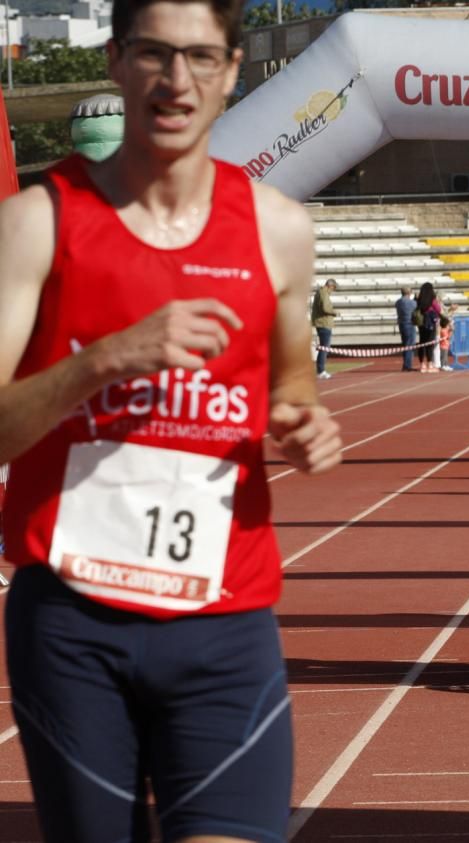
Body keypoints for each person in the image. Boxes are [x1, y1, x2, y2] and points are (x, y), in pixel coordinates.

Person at [0, 0, 343, 839]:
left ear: (232, 71)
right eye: (155, 53)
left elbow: (291, 390)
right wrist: (104, 359)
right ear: (118, 63)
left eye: (200, 56)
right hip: (75, 622)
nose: (176, 79)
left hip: (225, 623)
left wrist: (302, 426)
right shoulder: (36, 225)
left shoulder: (278, 230)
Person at [311, 277, 338, 379]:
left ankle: (320, 369)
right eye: (333, 289)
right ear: (330, 286)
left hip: (322, 323)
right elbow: (325, 308)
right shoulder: (323, 293)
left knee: (324, 347)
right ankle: (321, 370)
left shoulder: (321, 292)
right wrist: (334, 312)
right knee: (324, 348)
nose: (332, 291)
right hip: (324, 324)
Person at [415, 281, 441, 373]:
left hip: (421, 322)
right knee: (430, 343)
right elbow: (438, 309)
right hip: (430, 322)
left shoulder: (419, 299)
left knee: (422, 343)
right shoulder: (432, 300)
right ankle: (430, 364)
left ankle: (422, 364)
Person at [395, 286, 417, 372]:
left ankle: (406, 364)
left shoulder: (398, 302)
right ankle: (407, 365)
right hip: (409, 324)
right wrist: (416, 299)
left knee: (405, 344)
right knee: (410, 345)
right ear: (409, 293)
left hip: (401, 324)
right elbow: (416, 306)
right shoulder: (411, 302)